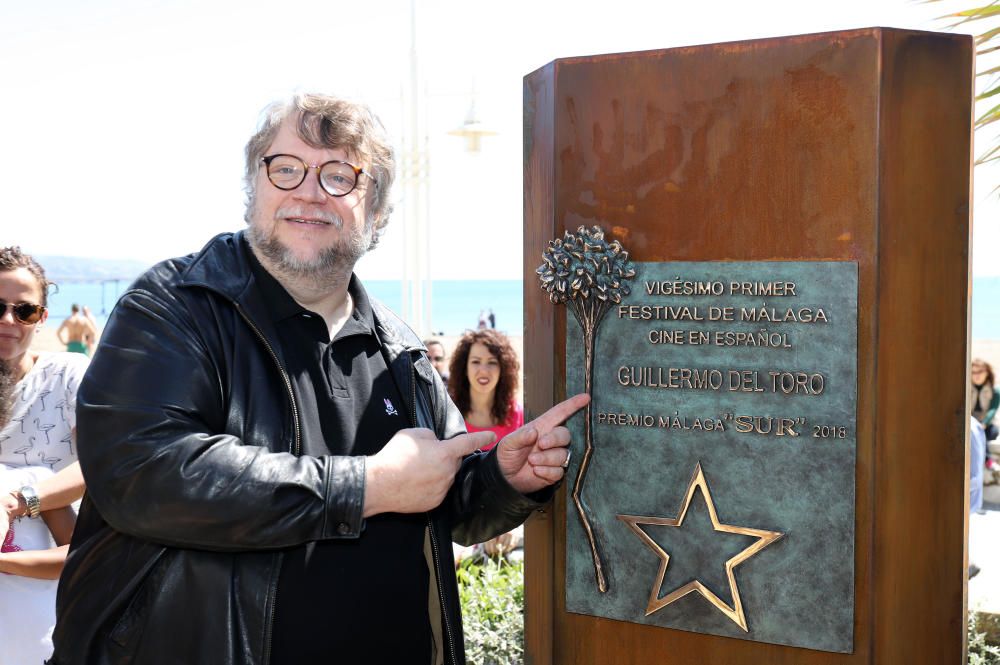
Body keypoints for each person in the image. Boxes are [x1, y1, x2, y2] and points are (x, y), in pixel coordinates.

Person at [51, 93, 587, 665]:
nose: (308, 191)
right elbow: (142, 475)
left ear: (375, 211)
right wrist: (366, 486)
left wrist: (502, 478)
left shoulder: (401, 350)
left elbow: (445, 497)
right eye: (286, 169)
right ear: (252, 189)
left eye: (339, 176)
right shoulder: (175, 306)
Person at [0, 246, 88, 663]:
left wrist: (21, 502)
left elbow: (101, 462)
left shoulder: (67, 375)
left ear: (42, 319)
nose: (8, 321)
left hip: (57, 575)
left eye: (25, 311)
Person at [448, 329, 525, 453]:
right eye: (476, 362)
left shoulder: (518, 414)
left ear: (503, 369)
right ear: (465, 368)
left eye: (492, 362)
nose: (483, 370)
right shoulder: (448, 412)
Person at [972, 358, 999, 441]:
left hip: (986, 424)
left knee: (992, 432)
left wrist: (984, 424)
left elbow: (993, 410)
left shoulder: (995, 390)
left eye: (980, 372)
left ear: (987, 373)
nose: (977, 375)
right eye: (973, 372)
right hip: (970, 423)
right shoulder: (965, 389)